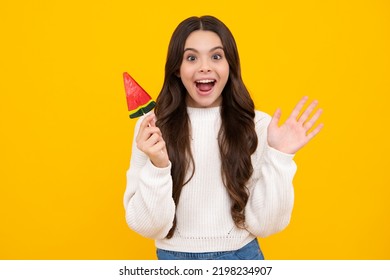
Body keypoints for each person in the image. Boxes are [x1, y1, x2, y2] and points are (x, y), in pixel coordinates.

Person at [123, 15, 323, 260]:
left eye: (216, 56)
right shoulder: (152, 129)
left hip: (242, 258)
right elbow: (147, 226)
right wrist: (158, 165)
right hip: (172, 260)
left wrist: (280, 157)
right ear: (177, 68)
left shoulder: (258, 126)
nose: (205, 66)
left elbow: (267, 225)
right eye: (191, 57)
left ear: (230, 65)